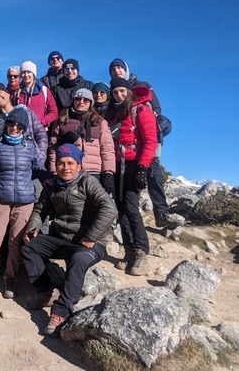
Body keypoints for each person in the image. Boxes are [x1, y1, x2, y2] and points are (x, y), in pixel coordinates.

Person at [21, 144, 117, 336]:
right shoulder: (51, 186)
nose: (66, 167)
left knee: (79, 259)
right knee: (29, 247)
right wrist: (33, 227)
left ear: (79, 166)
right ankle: (46, 290)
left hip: (89, 243)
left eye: (70, 163)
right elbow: (40, 211)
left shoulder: (87, 182)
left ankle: (61, 312)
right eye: (61, 163)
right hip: (61, 240)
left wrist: (92, 235)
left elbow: (110, 209)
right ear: (56, 166)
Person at [0, 107, 49, 304]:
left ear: (24, 128)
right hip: (0, 199)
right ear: (5, 125)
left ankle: (10, 279)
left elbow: (39, 169)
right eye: (11, 124)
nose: (14, 128)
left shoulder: (30, 147)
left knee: (16, 241)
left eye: (19, 125)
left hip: (24, 201)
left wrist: (51, 178)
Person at [108, 58, 184, 230]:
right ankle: (124, 218)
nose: (116, 70)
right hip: (125, 148)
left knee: (153, 172)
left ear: (126, 69)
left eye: (120, 67)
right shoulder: (113, 91)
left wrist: (147, 127)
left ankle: (161, 213)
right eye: (113, 69)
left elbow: (156, 109)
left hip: (146, 137)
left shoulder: (141, 85)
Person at [105, 78, 155, 276]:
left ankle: (142, 252)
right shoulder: (114, 114)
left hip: (134, 164)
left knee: (131, 207)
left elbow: (150, 141)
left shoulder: (141, 110)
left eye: (122, 91)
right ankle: (129, 252)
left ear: (129, 91)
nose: (119, 95)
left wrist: (143, 168)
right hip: (118, 165)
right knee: (120, 209)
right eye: (115, 92)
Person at [48, 89, 115, 195]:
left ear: (91, 103)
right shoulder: (61, 121)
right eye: (78, 99)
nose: (81, 102)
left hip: (94, 171)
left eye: (86, 100)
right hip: (69, 171)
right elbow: (53, 149)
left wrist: (108, 173)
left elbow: (107, 149)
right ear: (73, 100)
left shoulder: (100, 122)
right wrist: (54, 171)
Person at [0, 83, 48, 163]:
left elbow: (41, 136)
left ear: (8, 93)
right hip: (1, 169)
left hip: (28, 165)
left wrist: (40, 157)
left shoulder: (27, 113)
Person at [12, 60, 58, 130]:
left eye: (29, 72)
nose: (26, 75)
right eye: (23, 72)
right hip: (20, 131)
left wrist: (41, 123)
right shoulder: (16, 93)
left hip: (39, 131)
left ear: (33, 74)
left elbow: (54, 112)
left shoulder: (44, 91)